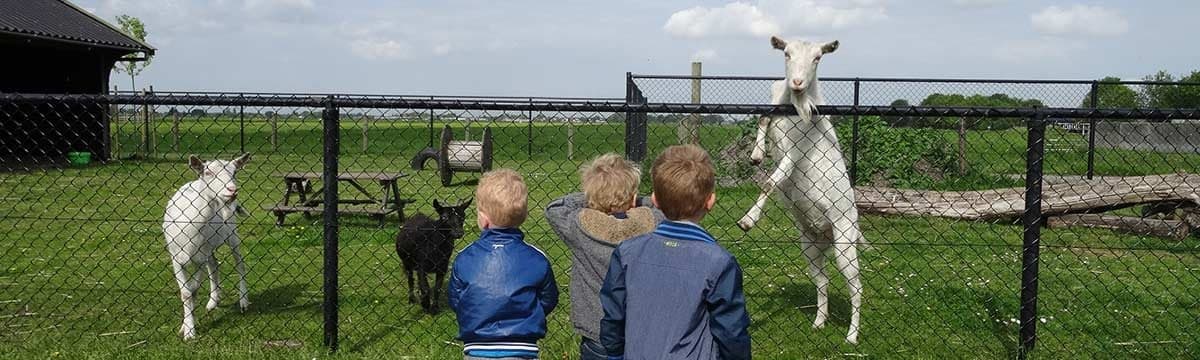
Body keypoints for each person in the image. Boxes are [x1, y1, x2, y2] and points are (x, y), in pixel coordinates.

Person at [599, 145, 752, 360]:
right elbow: (731, 331)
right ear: (711, 201)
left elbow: (614, 317)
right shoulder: (719, 262)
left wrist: (614, 354)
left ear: (654, 200)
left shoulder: (628, 253)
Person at [545, 153, 665, 360]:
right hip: (644, 329)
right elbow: (661, 206)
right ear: (633, 197)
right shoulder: (653, 222)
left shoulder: (579, 227)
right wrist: (636, 200)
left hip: (597, 330)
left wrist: (593, 198)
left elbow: (555, 208)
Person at [448, 169, 558, 359]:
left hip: (478, 348)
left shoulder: (465, 258)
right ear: (524, 215)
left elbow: (456, 300)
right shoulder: (537, 258)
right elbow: (548, 299)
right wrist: (528, 313)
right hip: (522, 348)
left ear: (483, 219)